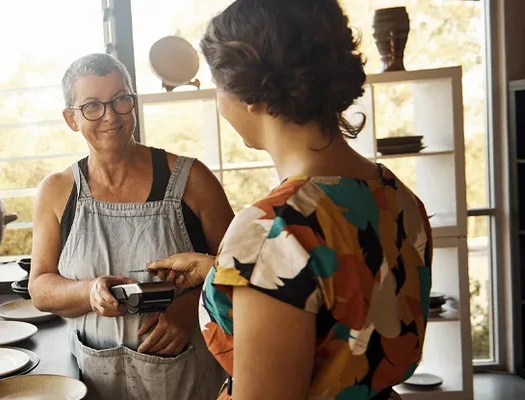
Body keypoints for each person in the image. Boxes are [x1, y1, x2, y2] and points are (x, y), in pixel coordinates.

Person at [146, 1, 433, 399]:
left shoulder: (271, 231)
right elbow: (343, 297)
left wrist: (252, 260)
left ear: (251, 94)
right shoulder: (399, 198)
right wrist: (220, 271)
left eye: (218, 85)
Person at [28, 52, 232, 399]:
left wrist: (190, 309)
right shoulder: (57, 191)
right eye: (92, 106)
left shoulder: (192, 180)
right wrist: (89, 291)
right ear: (71, 118)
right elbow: (40, 287)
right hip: (96, 380)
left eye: (120, 100)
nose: (110, 116)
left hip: (188, 379)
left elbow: (238, 274)